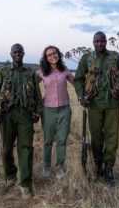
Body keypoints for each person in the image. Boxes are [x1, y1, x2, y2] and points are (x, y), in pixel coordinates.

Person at [74, 31, 119, 186]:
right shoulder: (87, 58)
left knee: (112, 139)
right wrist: (81, 96)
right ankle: (97, 167)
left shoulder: (114, 56)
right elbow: (78, 79)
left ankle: (109, 169)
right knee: (97, 138)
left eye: (102, 41)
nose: (100, 43)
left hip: (112, 104)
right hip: (94, 105)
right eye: (97, 41)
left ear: (106, 42)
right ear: (93, 42)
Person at [0, 43, 42, 200]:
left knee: (25, 149)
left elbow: (38, 97)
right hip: (7, 115)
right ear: (11, 54)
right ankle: (10, 175)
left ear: (24, 53)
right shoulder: (4, 72)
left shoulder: (31, 73)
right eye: (15, 52)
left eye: (20, 52)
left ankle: (25, 184)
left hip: (25, 116)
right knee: (6, 150)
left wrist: (37, 112)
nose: (18, 54)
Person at [37, 46, 74, 179]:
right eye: (49, 55)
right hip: (48, 110)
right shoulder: (42, 72)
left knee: (62, 140)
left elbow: (76, 83)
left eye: (55, 53)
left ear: (58, 54)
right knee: (48, 140)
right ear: (46, 58)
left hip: (64, 110)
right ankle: (46, 165)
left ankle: (59, 166)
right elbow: (32, 87)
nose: (53, 56)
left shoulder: (65, 70)